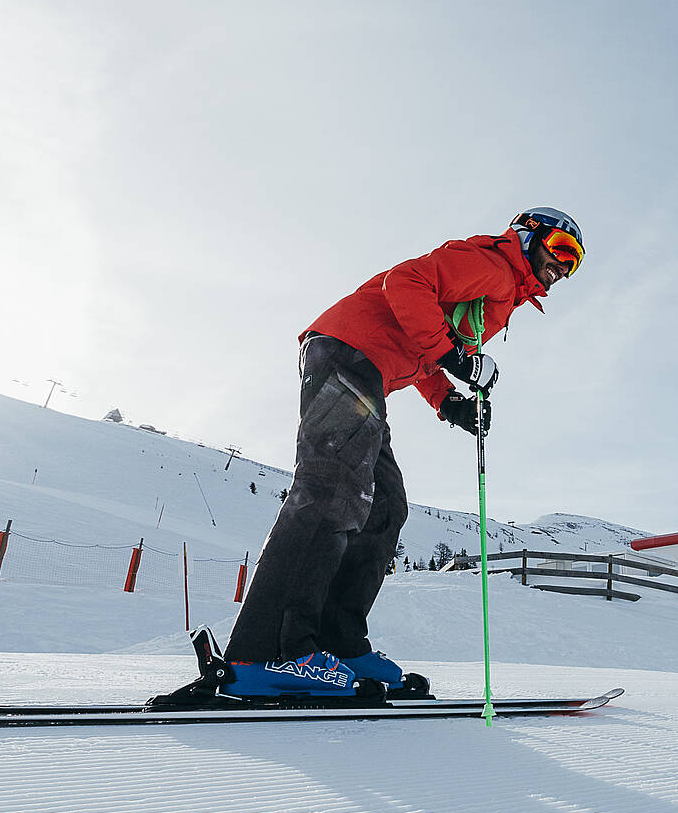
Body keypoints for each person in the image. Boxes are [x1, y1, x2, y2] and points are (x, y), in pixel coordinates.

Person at [219, 207, 585, 699]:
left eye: (574, 263)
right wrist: (456, 358)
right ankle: (268, 654)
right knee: (331, 492)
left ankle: (339, 643)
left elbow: (425, 337)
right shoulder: (495, 265)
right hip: (350, 352)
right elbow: (405, 284)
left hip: (369, 371)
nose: (563, 268)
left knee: (386, 507)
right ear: (528, 236)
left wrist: (447, 400)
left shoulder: (502, 296)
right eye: (561, 249)